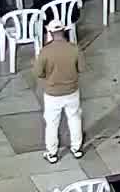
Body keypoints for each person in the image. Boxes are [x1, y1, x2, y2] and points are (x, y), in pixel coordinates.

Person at [34, 18, 84, 162]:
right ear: (64, 31)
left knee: (52, 123)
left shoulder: (45, 51)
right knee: (74, 118)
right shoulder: (74, 49)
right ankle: (76, 148)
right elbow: (82, 68)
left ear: (50, 33)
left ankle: (52, 153)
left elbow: (38, 72)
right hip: (72, 91)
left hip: (52, 94)